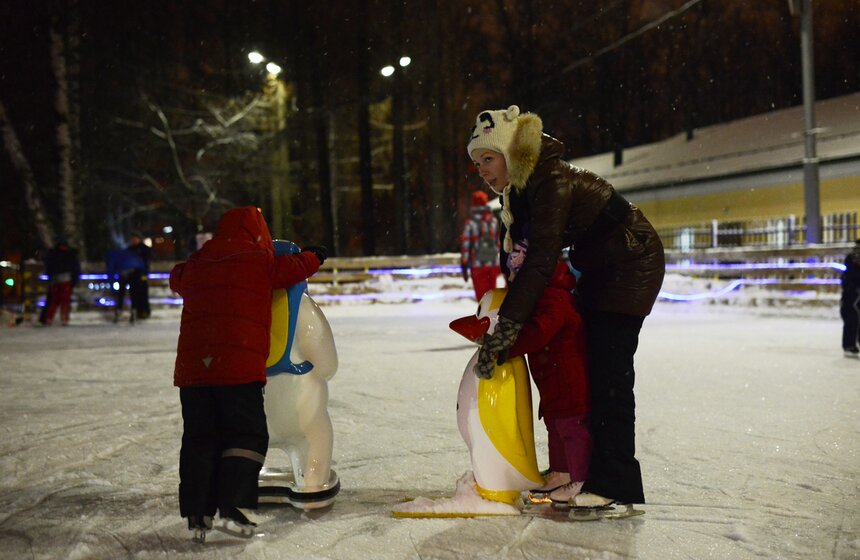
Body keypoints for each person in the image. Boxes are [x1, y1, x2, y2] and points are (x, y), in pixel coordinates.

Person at [467, 105, 665, 507]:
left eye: (488, 158)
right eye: (476, 163)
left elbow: (540, 260)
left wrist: (510, 326)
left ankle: (614, 485)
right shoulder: (521, 191)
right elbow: (521, 261)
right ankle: (579, 471)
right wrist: (509, 318)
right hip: (602, 268)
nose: (482, 170)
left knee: (609, 374)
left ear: (510, 153)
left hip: (630, 264)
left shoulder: (549, 180)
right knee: (590, 371)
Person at [170, 206, 327, 541]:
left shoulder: (198, 262)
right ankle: (233, 509)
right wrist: (315, 255)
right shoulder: (259, 262)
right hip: (237, 370)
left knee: (199, 439)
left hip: (194, 372)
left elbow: (176, 277)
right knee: (246, 436)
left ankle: (198, 514)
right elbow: (297, 267)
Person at [504, 238, 591, 504]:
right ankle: (561, 472)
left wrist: (506, 346)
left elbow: (538, 332)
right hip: (552, 378)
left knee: (571, 428)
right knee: (554, 424)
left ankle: (580, 478)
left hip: (568, 379)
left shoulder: (555, 296)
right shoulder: (543, 293)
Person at [460, 190, 502, 300]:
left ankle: (484, 312)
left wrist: (464, 264)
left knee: (482, 298)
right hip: (493, 264)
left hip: (478, 266)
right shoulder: (493, 221)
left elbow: (466, 245)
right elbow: (498, 242)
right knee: (492, 297)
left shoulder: (470, 223)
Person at [41, 238, 81, 326]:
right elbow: (76, 268)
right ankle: (63, 319)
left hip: (56, 279)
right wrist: (75, 279)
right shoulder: (70, 254)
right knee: (63, 300)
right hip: (65, 279)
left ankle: (51, 318)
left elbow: (49, 267)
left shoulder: (53, 254)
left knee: (56, 300)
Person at [126, 232, 152, 319]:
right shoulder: (130, 249)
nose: (134, 240)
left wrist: (144, 272)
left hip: (142, 274)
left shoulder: (144, 249)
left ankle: (144, 312)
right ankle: (135, 311)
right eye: (132, 239)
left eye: (135, 238)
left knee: (143, 294)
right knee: (133, 294)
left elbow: (147, 261)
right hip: (132, 275)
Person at [842, 240, 860, 358]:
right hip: (852, 294)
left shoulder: (851, 258)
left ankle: (850, 344)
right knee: (852, 318)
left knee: (854, 318)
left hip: (852, 293)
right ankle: (849, 345)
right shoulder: (852, 259)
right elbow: (849, 277)